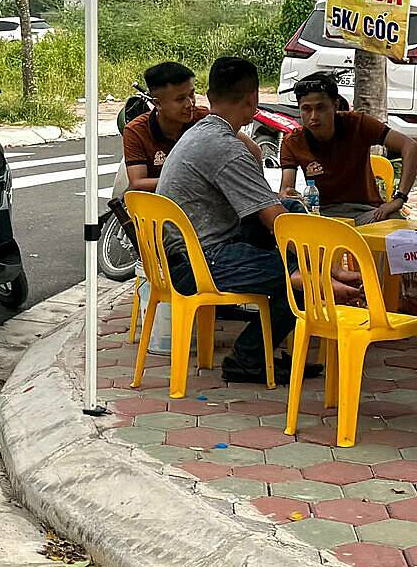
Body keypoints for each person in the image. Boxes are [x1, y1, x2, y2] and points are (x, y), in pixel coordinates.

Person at [157, 56, 321, 383]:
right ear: (252, 99)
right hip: (198, 263)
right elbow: (275, 220)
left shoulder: (200, 132)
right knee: (307, 279)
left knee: (292, 225)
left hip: (182, 255)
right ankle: (248, 358)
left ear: (209, 96)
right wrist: (323, 265)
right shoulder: (225, 148)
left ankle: (259, 352)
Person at [278, 72, 417, 222]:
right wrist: (288, 194)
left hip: (366, 212)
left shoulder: (358, 123)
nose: (313, 116)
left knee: (395, 222)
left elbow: (411, 147)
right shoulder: (292, 141)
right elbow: (286, 190)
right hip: (322, 216)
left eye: (321, 108)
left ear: (335, 105)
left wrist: (399, 198)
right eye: (306, 109)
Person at [122, 61, 208, 191]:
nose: (190, 104)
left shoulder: (203, 117)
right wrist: (190, 180)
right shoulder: (136, 131)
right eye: (180, 99)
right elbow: (137, 183)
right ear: (157, 104)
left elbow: (235, 138)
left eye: (191, 94)